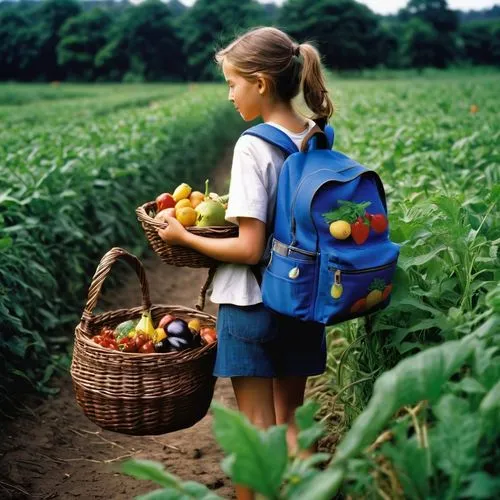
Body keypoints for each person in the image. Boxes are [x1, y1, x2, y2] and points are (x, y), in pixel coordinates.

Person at [158, 26, 334, 500]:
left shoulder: (252, 145)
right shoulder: (317, 135)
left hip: (252, 303)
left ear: (259, 82)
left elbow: (250, 248)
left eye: (233, 83)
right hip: (301, 298)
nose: (230, 94)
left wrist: (183, 236)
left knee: (255, 434)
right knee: (292, 424)